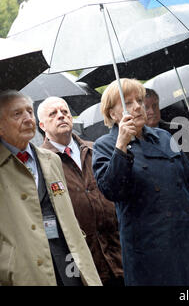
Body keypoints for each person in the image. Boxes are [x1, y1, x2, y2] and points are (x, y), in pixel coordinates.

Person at [92, 78, 189, 286]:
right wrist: (122, 146)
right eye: (128, 103)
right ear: (112, 114)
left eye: (139, 100)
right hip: (151, 250)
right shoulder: (105, 146)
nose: (138, 106)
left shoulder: (163, 137)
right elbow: (112, 189)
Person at [0, 90, 101, 286]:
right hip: (25, 271)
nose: (28, 118)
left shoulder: (51, 160)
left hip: (69, 261)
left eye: (29, 111)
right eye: (17, 114)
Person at [37, 96, 124, 286]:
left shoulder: (96, 149)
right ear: (42, 125)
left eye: (65, 112)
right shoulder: (41, 163)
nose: (61, 116)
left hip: (120, 252)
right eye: (53, 114)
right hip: (84, 262)